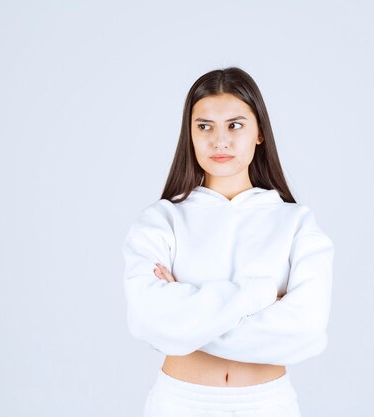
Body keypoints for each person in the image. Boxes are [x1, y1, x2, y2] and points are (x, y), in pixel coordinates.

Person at [122, 66, 335, 417]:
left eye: (235, 125)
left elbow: (307, 329)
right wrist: (261, 296)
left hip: (266, 404)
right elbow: (149, 320)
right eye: (204, 126)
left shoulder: (296, 223)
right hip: (179, 403)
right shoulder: (162, 221)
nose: (220, 141)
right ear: (189, 134)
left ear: (259, 133)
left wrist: (185, 323)